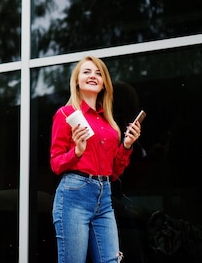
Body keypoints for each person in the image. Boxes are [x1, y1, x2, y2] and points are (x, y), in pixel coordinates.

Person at [50, 56, 142, 263]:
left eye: (98, 73)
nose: (93, 76)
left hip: (104, 197)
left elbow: (114, 171)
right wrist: (77, 151)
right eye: (87, 72)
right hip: (74, 195)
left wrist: (126, 145)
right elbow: (55, 163)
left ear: (104, 84)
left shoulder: (109, 124)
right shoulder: (65, 114)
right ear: (77, 81)